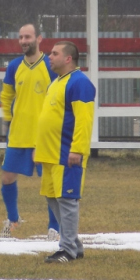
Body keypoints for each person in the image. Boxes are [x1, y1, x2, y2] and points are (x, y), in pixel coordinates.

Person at [35, 41, 96, 263]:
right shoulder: (56, 83)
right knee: (53, 199)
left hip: (66, 154)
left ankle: (67, 249)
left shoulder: (80, 83)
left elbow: (84, 120)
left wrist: (77, 149)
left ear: (68, 58)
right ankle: (75, 244)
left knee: (68, 200)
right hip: (49, 154)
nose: (49, 56)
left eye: (54, 53)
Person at [0, 23, 60, 240]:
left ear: (39, 38)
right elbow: (6, 96)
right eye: (21, 37)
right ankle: (13, 220)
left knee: (49, 182)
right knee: (7, 177)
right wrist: (8, 119)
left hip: (44, 136)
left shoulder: (51, 66)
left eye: (28, 36)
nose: (24, 41)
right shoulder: (14, 66)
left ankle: (54, 227)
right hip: (18, 134)